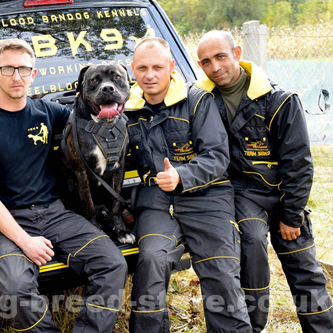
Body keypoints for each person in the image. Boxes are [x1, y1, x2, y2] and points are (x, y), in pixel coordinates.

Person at [0, 38, 128, 333]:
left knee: (112, 264)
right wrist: (25, 241)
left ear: (33, 74)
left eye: (24, 69)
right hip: (5, 222)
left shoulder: (50, 113)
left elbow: (95, 115)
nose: (17, 77)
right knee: (14, 286)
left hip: (55, 214)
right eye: (8, 69)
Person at [196, 30, 333, 333]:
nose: (215, 67)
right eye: (206, 61)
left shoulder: (280, 100)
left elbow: (299, 164)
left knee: (304, 268)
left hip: (284, 194)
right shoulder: (201, 101)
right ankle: (253, 326)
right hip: (244, 195)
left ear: (237, 52)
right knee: (253, 245)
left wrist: (292, 215)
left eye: (221, 56)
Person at [125, 37, 251, 333]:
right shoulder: (125, 109)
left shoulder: (197, 100)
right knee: (152, 261)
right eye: (142, 67)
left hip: (207, 199)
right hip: (155, 203)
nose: (150, 75)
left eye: (158, 67)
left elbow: (218, 156)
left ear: (171, 67)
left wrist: (182, 176)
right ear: (133, 70)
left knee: (221, 272)